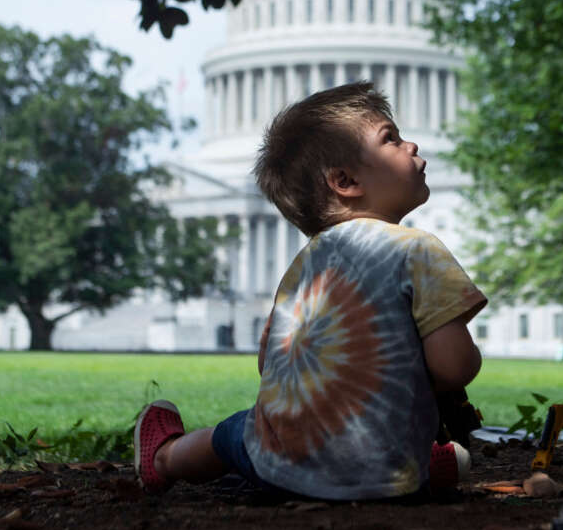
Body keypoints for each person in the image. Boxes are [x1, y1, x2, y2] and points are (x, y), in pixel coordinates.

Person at [134, 81, 487, 499]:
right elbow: (454, 368)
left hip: (280, 467)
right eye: (390, 138)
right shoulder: (418, 249)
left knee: (234, 433)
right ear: (345, 180)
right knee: (388, 432)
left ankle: (165, 459)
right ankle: (427, 461)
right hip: (389, 476)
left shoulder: (301, 268)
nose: (411, 145)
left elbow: (268, 363)